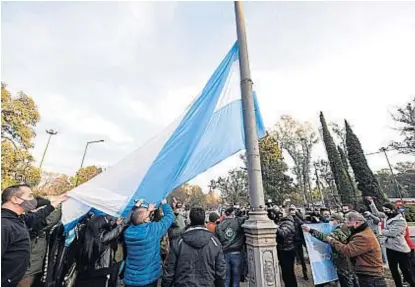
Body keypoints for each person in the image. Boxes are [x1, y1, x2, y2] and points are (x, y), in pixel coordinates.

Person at [1, 184, 67, 287]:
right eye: (30, 196)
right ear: (15, 199)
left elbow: (37, 216)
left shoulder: (19, 219)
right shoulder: (4, 225)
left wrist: (54, 203)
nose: (33, 200)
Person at [161, 207, 226, 287]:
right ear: (204, 220)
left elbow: (169, 270)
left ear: (189, 220)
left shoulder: (178, 242)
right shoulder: (214, 242)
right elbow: (220, 270)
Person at [325, 212, 387, 287]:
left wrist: (331, 240)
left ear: (357, 223)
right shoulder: (363, 232)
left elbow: (347, 251)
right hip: (369, 275)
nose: (346, 226)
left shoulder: (362, 236)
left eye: (348, 224)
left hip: (371, 277)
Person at [123, 198, 174, 287]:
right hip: (148, 279)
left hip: (131, 278)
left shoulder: (128, 232)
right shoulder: (153, 230)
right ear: (146, 220)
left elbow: (133, 219)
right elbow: (169, 217)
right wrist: (164, 204)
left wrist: (138, 207)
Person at [303, 213, 358, 287]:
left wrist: (311, 231)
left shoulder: (340, 230)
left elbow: (326, 238)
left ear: (338, 221)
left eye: (332, 220)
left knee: (346, 280)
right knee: (353, 279)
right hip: (348, 259)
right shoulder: (346, 228)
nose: (330, 222)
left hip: (343, 260)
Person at [18, 199, 62, 287]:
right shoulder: (26, 220)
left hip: (29, 262)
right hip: (28, 264)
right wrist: (58, 207)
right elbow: (46, 223)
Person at [77, 213, 129, 287]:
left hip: (93, 270)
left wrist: (116, 224)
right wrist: (122, 224)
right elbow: (111, 234)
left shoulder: (90, 236)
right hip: (101, 270)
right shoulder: (101, 238)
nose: (107, 223)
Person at [380, 203, 415, 287]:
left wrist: (383, 231)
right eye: (384, 210)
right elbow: (377, 214)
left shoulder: (401, 220)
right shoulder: (386, 219)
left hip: (401, 249)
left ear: (392, 210)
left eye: (387, 210)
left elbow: (392, 233)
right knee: (394, 271)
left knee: (406, 271)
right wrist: (371, 204)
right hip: (390, 248)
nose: (385, 212)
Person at [215, 207, 246, 287]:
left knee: (226, 279)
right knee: (236, 279)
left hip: (224, 253)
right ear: (233, 213)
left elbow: (217, 241)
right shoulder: (238, 221)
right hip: (236, 253)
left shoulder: (219, 226)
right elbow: (246, 218)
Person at [275, 212, 297, 287]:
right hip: (283, 249)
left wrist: (274, 227)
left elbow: (283, 234)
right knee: (285, 273)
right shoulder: (281, 221)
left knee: (288, 273)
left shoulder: (288, 223)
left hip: (287, 250)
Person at [289, 207, 308, 280]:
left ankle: (300, 273)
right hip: (298, 241)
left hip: (294, 241)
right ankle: (305, 273)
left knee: (294, 258)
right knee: (301, 258)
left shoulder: (293, 220)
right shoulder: (299, 220)